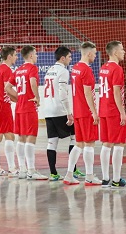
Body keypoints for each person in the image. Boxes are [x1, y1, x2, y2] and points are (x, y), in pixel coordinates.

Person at [6, 46, 48, 180]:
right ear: (30, 56)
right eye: (35, 54)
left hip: (19, 108)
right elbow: (33, 82)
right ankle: (31, 171)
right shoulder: (32, 68)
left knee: (21, 138)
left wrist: (18, 98)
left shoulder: (18, 70)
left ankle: (22, 170)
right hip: (29, 107)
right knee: (31, 137)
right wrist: (37, 97)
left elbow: (7, 87)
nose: (37, 56)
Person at [42, 46, 83, 181]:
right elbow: (62, 93)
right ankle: (73, 170)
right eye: (69, 57)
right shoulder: (63, 71)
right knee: (75, 138)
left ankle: (53, 173)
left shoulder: (49, 71)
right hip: (59, 109)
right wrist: (68, 112)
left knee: (52, 142)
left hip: (48, 110)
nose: (71, 59)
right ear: (63, 58)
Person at [63, 41, 101, 185]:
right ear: (89, 53)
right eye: (95, 53)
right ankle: (89, 177)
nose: (95, 56)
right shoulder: (86, 70)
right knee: (89, 143)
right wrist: (94, 112)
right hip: (86, 112)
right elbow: (87, 93)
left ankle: (69, 174)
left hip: (77, 111)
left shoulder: (75, 68)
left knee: (78, 143)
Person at [99, 40, 126, 188]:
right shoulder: (117, 69)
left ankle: (105, 179)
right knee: (119, 143)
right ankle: (116, 180)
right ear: (116, 52)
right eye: (122, 49)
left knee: (106, 144)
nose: (124, 52)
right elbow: (116, 93)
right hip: (113, 110)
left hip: (103, 109)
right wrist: (122, 112)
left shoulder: (103, 67)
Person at [0, 46, 18, 177]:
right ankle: (12, 168)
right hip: (2, 105)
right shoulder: (6, 69)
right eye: (15, 55)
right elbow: (8, 89)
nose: (16, 58)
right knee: (9, 135)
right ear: (9, 56)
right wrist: (21, 99)